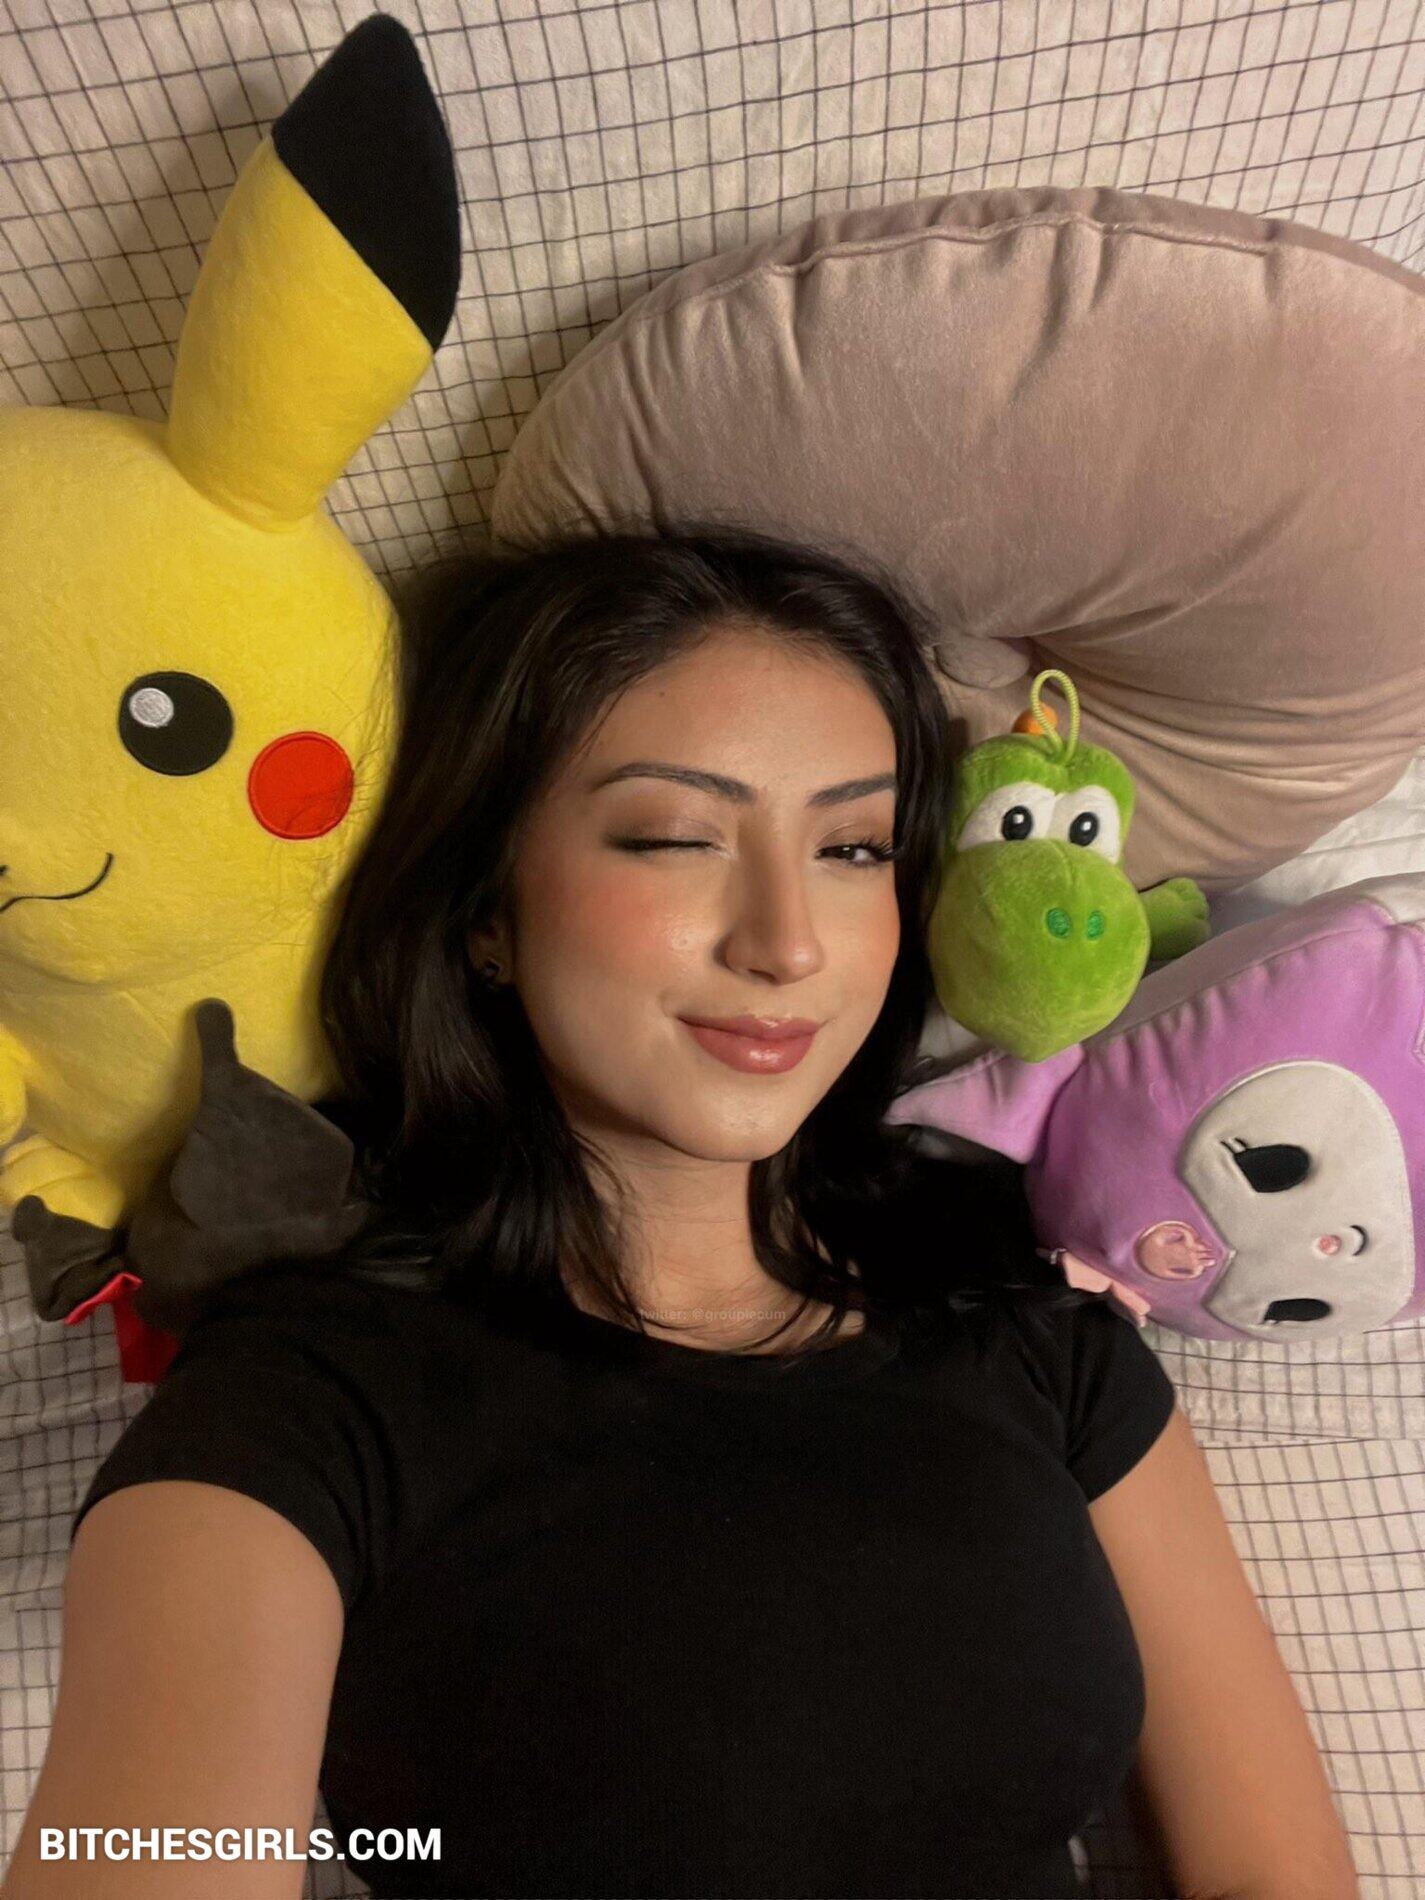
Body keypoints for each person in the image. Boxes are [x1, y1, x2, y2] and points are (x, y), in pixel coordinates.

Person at [3, 528, 1358, 1900]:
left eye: (853, 847)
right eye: (673, 838)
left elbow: (1276, 1877)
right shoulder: (305, 1404)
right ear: (485, 910)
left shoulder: (1034, 1329)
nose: (788, 941)